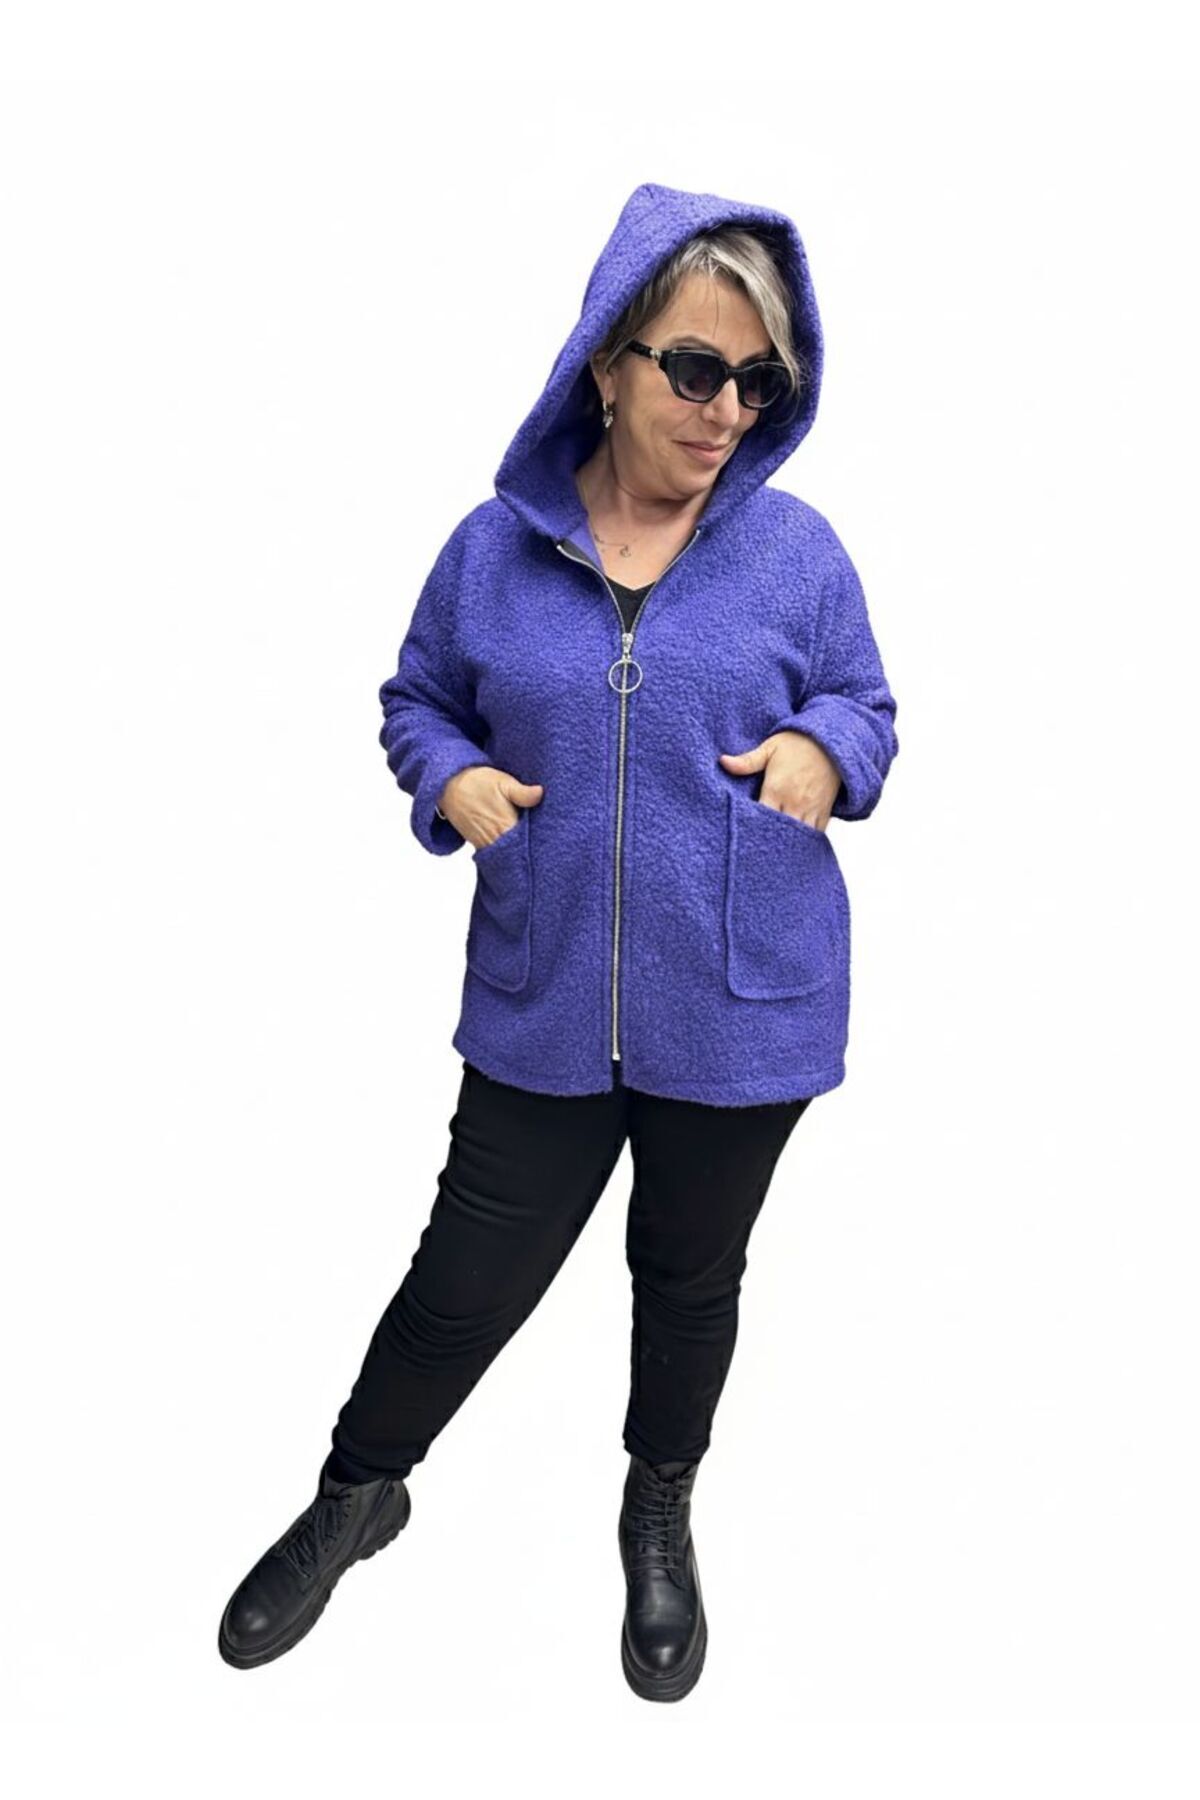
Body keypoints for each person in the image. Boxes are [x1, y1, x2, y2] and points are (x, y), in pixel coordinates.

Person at [218, 180, 899, 1703]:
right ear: (607, 362)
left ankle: (658, 1504)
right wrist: (447, 776)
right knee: (464, 1277)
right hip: (542, 1001)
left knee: (689, 1278)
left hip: (743, 1003)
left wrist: (826, 751)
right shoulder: (492, 552)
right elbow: (416, 699)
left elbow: (866, 704)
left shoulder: (798, 554)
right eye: (696, 369)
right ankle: (356, 1494)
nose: (727, 410)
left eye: (759, 381)